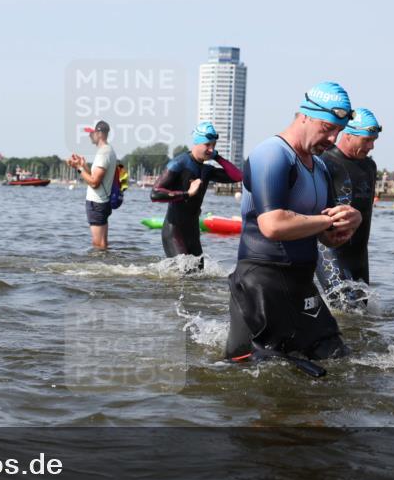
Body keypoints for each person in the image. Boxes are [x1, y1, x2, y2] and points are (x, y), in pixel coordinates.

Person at [225, 82, 362, 361]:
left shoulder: (320, 166)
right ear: (305, 116)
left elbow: (325, 235)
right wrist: (324, 222)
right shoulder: (272, 154)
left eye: (338, 131)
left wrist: (349, 221)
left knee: (335, 356)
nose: (333, 139)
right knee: (255, 372)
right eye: (328, 128)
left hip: (300, 281)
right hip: (261, 281)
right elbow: (272, 225)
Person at [150, 121, 243, 269]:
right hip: (175, 229)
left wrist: (217, 157)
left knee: (198, 276)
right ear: (197, 143)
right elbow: (155, 193)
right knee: (184, 274)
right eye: (208, 145)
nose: (211, 149)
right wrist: (187, 193)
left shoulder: (207, 170)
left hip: (192, 230)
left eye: (214, 145)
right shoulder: (179, 164)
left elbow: (238, 176)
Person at [316, 108, 381, 304]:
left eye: (373, 141)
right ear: (349, 135)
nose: (371, 146)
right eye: (366, 140)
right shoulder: (324, 161)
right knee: (344, 310)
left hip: (359, 252)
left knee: (362, 313)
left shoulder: (370, 166)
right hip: (329, 250)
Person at [68, 119, 117, 250]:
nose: (89, 135)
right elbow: (94, 176)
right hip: (101, 202)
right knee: (103, 244)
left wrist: (79, 168)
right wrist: (83, 165)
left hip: (97, 204)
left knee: (98, 244)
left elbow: (94, 183)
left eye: (91, 133)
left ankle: (100, 268)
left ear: (99, 133)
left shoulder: (104, 153)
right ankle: (106, 266)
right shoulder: (106, 151)